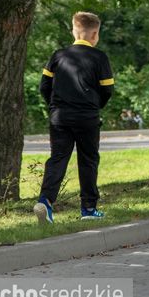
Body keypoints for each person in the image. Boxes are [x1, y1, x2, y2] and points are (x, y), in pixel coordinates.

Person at [34, 11, 115, 224]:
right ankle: (88, 208)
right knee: (88, 159)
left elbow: (44, 86)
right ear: (95, 34)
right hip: (87, 117)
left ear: (74, 30)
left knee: (58, 158)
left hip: (59, 116)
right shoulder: (100, 58)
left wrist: (55, 106)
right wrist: (94, 106)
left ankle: (45, 201)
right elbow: (107, 90)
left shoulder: (58, 55)